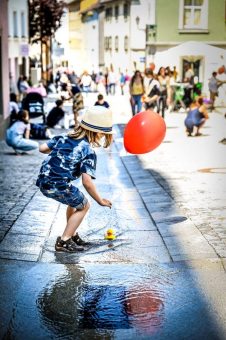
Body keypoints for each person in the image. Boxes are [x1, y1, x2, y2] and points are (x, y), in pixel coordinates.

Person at [36, 106, 113, 252]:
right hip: (57, 184)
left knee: (73, 201)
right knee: (84, 205)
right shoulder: (88, 151)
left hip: (43, 181)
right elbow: (87, 182)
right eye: (103, 135)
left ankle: (72, 234)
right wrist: (100, 201)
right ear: (97, 133)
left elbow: (42, 149)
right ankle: (64, 241)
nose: (103, 137)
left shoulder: (64, 136)